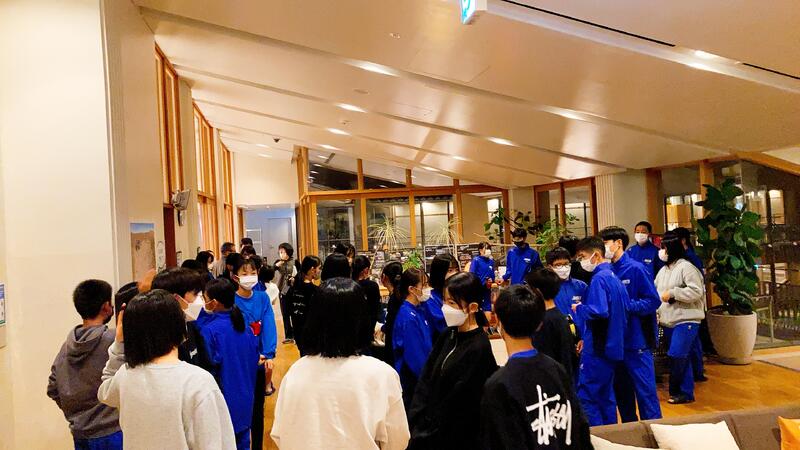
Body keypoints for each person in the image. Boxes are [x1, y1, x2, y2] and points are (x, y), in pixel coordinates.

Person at [271, 278, 410, 449]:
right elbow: (398, 441)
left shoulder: (296, 371)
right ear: (362, 319)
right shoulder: (382, 375)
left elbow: (280, 434)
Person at [98, 289, 235, 449]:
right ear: (179, 327)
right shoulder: (198, 382)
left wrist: (119, 343)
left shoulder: (126, 375)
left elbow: (104, 391)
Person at [481, 285, 592, 449]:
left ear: (498, 321)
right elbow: (581, 430)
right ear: (540, 324)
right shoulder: (557, 370)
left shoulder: (498, 385)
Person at [408, 273, 497, 450]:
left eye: (452, 303)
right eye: (444, 301)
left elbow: (460, 406)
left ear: (472, 307)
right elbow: (426, 378)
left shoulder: (479, 348)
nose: (445, 308)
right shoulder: (448, 334)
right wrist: (417, 419)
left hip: (451, 438)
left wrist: (428, 433)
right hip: (426, 430)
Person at [48, 280, 122, 450]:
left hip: (80, 434)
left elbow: (52, 387)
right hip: (113, 431)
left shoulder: (66, 347)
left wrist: (77, 413)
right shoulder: (113, 341)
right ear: (106, 307)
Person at [601, 226, 662, 422]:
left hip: (637, 343)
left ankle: (654, 431)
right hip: (615, 344)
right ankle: (629, 431)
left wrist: (626, 306)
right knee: (622, 395)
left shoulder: (636, 269)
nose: (603, 248)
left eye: (605, 243)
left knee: (646, 394)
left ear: (618, 243)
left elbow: (653, 301)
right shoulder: (606, 271)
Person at [572, 237, 628, 426]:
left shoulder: (599, 279)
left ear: (596, 255)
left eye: (582, 256)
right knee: (606, 396)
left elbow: (599, 311)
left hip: (598, 347)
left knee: (588, 396)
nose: (581, 261)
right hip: (613, 346)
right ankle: (610, 436)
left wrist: (579, 308)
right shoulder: (614, 277)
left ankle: (596, 437)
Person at [200, 279, 260, 450]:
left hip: (225, 402)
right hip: (246, 398)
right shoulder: (244, 326)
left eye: (205, 298)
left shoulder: (209, 331)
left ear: (215, 302)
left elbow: (209, 368)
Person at [231, 257, 278, 450]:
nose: (249, 277)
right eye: (244, 273)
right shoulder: (231, 300)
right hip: (240, 363)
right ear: (235, 277)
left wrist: (268, 353)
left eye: (253, 273)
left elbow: (269, 325)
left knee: (258, 408)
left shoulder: (262, 297)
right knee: (240, 407)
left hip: (259, 362)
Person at [655, 231, 706, 405]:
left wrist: (674, 293)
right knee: (681, 356)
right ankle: (685, 392)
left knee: (677, 354)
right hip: (668, 320)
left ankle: (678, 390)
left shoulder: (686, 267)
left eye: (664, 248)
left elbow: (696, 291)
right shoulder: (663, 271)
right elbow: (656, 293)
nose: (661, 251)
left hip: (687, 319)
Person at [151, 268, 214, 373]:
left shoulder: (191, 326)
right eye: (195, 294)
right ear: (176, 298)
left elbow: (205, 364)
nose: (200, 301)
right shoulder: (159, 339)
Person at [525, 268, 578, 380]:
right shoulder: (560, 317)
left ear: (537, 292)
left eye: (529, 289)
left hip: (551, 381)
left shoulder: (543, 321)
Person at [393, 268, 433, 408]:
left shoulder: (419, 310)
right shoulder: (408, 317)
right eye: (424, 285)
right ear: (412, 289)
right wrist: (428, 382)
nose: (428, 289)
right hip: (413, 384)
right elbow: (415, 357)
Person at [673, 226, 709, 382]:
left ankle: (697, 371)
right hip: (681, 308)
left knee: (693, 342)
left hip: (691, 307)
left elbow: (696, 288)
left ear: (682, 241)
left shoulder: (690, 259)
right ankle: (695, 371)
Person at [287, 255, 322, 355]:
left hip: (298, 332)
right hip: (312, 335)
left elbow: (289, 310)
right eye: (319, 268)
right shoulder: (315, 291)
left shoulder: (293, 289)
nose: (320, 271)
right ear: (312, 269)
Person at [546, 247, 588, 326]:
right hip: (558, 330)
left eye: (566, 264)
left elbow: (589, 311)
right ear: (549, 267)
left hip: (581, 331)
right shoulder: (546, 288)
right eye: (558, 265)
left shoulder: (581, 286)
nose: (563, 268)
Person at [422, 254, 457, 340]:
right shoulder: (430, 299)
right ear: (439, 273)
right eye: (450, 270)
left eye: (456, 269)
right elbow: (443, 326)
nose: (455, 274)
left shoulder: (457, 293)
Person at [353, 255, 382, 345]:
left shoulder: (348, 285)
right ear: (366, 270)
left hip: (351, 330)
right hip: (367, 329)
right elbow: (375, 310)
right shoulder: (372, 286)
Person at [380, 261, 404, 366]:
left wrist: (382, 328)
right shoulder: (401, 295)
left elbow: (391, 324)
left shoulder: (395, 298)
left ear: (384, 277)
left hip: (394, 347)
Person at [275, 243, 298, 344]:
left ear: (288, 252)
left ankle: (296, 334)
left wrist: (294, 278)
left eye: (283, 252)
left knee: (294, 313)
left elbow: (300, 274)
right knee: (285, 313)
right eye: (280, 252)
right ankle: (288, 335)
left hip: (293, 290)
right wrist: (276, 265)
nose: (281, 254)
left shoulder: (295, 262)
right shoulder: (278, 262)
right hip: (282, 290)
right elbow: (270, 271)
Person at [468, 242, 495, 314]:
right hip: (478, 288)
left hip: (487, 288)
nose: (488, 250)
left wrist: (491, 280)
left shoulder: (491, 261)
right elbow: (471, 275)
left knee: (487, 308)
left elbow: (492, 275)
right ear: (480, 250)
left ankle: (488, 321)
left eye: (489, 249)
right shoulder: (476, 260)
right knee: (477, 308)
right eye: (486, 248)